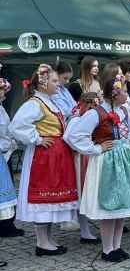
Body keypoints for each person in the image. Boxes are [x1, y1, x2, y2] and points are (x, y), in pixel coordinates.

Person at [64, 75, 130, 262]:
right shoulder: (95, 113)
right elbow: (73, 136)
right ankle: (107, 249)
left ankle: (117, 245)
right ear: (115, 94)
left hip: (124, 160)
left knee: (122, 205)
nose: (127, 96)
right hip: (106, 162)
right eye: (125, 92)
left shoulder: (123, 111)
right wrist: (96, 148)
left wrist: (128, 146)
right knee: (109, 205)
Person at [10, 65, 79, 255]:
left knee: (50, 200)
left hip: (55, 156)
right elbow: (17, 126)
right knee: (42, 198)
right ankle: (42, 242)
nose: (58, 85)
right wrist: (38, 139)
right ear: (43, 83)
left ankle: (47, 239)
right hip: (43, 157)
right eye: (54, 81)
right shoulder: (35, 103)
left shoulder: (49, 101)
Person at [64, 92, 101, 244]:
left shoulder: (84, 116)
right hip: (81, 158)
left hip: (88, 156)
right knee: (83, 193)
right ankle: (85, 231)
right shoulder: (77, 118)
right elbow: (68, 137)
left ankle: (90, 228)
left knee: (88, 192)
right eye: (94, 105)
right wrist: (88, 148)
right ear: (88, 104)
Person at [0, 79, 19, 234]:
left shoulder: (1, 108)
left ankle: (7, 224)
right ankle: (5, 225)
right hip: (2, 151)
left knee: (7, 186)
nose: (3, 94)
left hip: (5, 152)